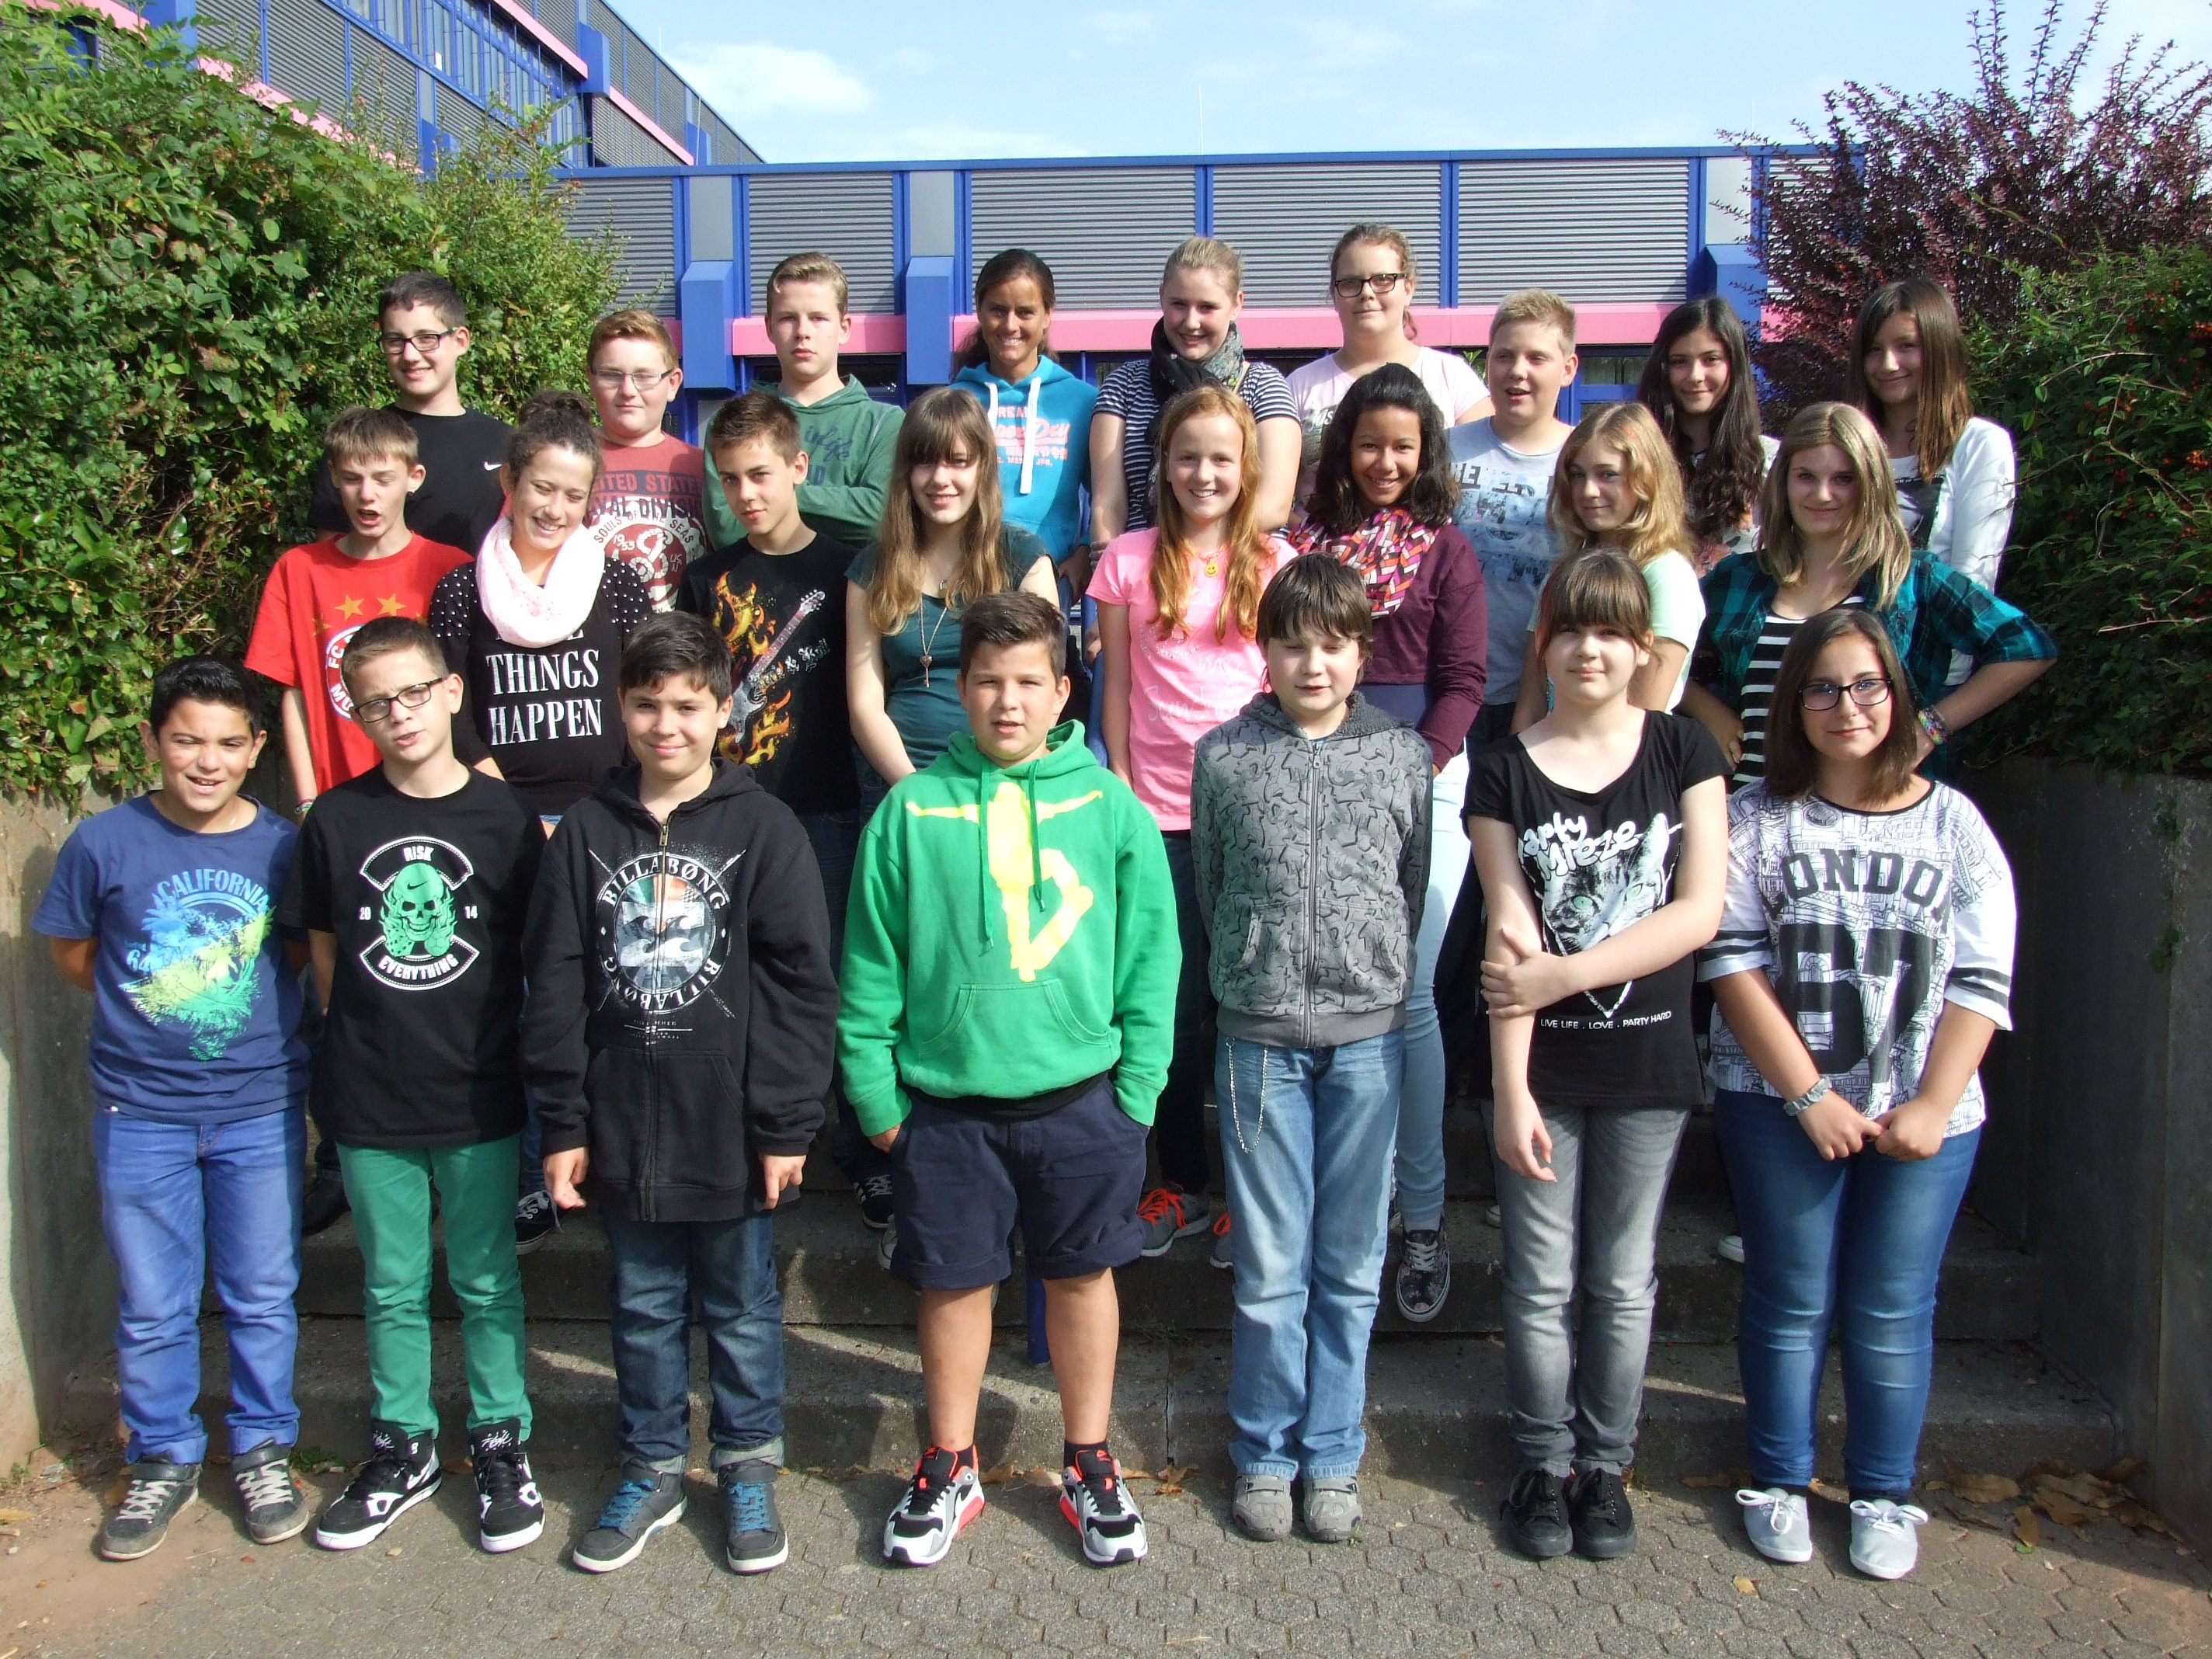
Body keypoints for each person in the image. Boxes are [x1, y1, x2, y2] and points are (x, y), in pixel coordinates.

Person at [838, 593, 1177, 1570]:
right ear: (959, 688)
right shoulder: (910, 811)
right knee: (952, 1285)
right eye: (987, 680)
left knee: (1081, 1276)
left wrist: (1137, 1093)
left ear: (1064, 690)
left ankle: (1089, 1458)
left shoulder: (1108, 808)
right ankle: (950, 1462)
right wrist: (876, 1098)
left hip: (1082, 1102)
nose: (1007, 701)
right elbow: (869, 964)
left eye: (1029, 681)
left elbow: (1150, 959)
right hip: (945, 1108)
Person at [1700, 607, 2015, 1582]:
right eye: (1823, 689)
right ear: (1793, 705)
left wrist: (1932, 1103)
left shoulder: (1955, 824)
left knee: (1891, 1306)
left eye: (1867, 685)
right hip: (1778, 1104)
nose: (1848, 706)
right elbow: (1730, 961)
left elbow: (1982, 978)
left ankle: (1882, 1490)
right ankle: (1778, 1479)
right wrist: (1806, 1097)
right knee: (1789, 1295)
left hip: (1924, 1111)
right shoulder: (1756, 819)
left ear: (1898, 694)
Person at [526, 614, 837, 1577]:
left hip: (730, 1126)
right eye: (647, 705)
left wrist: (785, 1123)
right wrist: (564, 1121)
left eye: (688, 706)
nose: (666, 725)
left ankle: (746, 1466)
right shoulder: (585, 831)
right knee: (642, 1306)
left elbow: (800, 986)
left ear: (722, 711)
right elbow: (554, 980)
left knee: (742, 1309)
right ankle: (653, 1465)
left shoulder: (763, 827)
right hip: (621, 1122)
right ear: (621, 708)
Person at [1467, 548, 1728, 1563]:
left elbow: (1697, 914)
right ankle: (1543, 1463)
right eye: (1571, 630)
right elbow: (1509, 937)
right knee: (1539, 1283)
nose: (1590, 650)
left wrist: (1563, 977)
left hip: (1650, 1066)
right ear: (1544, 644)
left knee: (1622, 1281)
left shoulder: (1683, 751)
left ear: (1641, 648)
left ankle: (1605, 1468)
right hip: (1544, 1074)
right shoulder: (1504, 768)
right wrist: (1509, 1090)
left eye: (1612, 632)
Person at [36, 658, 312, 1562]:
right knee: (154, 1302)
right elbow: (76, 954)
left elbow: (294, 956)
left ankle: (263, 1447)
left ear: (257, 748)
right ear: (153, 741)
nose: (206, 761)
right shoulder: (103, 843)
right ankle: (162, 1455)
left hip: (258, 1105)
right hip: (140, 1112)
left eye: (228, 744)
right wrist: (154, 1011)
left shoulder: (282, 848)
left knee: (261, 1291)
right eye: (187, 740)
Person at [279, 617, 545, 1555]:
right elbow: (326, 954)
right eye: (376, 702)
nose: (399, 714)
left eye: (414, 693)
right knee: (391, 1283)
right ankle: (404, 1445)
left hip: (479, 1092)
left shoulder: (505, 819)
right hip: (369, 1097)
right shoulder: (336, 819)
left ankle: (501, 1437)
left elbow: (533, 957)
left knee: (485, 1278)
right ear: (355, 714)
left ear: (452, 693)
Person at [1189, 555, 1433, 1545]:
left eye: (1333, 645)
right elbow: (1212, 886)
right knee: (1269, 1264)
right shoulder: (1224, 757)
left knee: (1350, 1260)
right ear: (1266, 651)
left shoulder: (1402, 757)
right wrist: (1254, 967)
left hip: (1367, 1039)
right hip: (1258, 1042)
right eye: (1292, 644)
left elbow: (1409, 883)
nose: (1313, 664)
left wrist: (1365, 969)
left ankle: (1332, 1453)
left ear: (1362, 652)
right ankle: (1263, 1451)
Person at [1290, 363, 1486, 1320]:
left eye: (1402, 446)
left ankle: (1424, 1216)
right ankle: (1341, 1202)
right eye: (1369, 443)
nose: (1384, 462)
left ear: (1426, 451)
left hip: (1421, 782)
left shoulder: (1447, 551)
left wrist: (1411, 769)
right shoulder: (1305, 544)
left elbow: (1464, 680)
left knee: (1405, 995)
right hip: (1315, 779)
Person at [249, 405, 472, 1236]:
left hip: (429, 806)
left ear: (414, 478)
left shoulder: (448, 568)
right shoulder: (299, 569)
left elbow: (462, 686)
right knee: (335, 992)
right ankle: (338, 1161)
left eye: (382, 477)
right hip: (341, 809)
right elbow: (292, 691)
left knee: (432, 979)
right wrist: (309, 799)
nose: (366, 494)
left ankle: (449, 1160)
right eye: (350, 479)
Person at [1090, 386, 1289, 1264]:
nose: (1204, 473)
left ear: (1246, 469)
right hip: (1158, 816)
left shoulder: (1275, 562)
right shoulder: (1129, 559)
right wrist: (1121, 787)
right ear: (1162, 467)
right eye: (1187, 457)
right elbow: (1118, 687)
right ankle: (1180, 1180)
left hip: (1251, 819)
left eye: (1221, 458)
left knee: (1246, 1006)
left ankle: (1252, 1193)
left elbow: (1287, 691)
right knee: (1169, 1010)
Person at [680, 391, 882, 1235]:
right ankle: (752, 1140)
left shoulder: (848, 570)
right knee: (733, 980)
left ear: (799, 467)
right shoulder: (706, 579)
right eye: (730, 480)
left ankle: (859, 1155)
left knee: (828, 978)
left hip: (826, 809)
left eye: (760, 474)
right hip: (730, 814)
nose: (745, 494)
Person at [1680, 402, 2056, 790]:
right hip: (1750, 809)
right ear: (1783, 483)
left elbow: (2027, 648)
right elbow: (1657, 650)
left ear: (1870, 483)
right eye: (1806, 476)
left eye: (1843, 479)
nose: (1822, 494)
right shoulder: (1738, 579)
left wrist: (1930, 727)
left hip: (1876, 810)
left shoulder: (1911, 580)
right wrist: (1706, 709)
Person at [430, 389, 652, 824]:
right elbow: (449, 713)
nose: (555, 510)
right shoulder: (461, 590)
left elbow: (649, 693)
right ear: (509, 481)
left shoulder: (618, 583)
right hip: (497, 816)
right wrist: (513, 815)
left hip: (609, 812)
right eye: (542, 488)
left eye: (573, 496)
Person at [847, 386, 1059, 805]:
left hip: (1001, 784)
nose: (940, 479)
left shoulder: (1024, 559)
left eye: (958, 461)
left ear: (983, 467)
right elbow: (865, 705)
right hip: (901, 786)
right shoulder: (872, 569)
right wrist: (915, 790)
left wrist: (996, 784)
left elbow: (1045, 692)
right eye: (925, 461)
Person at [1090, 238, 1300, 542]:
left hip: (1243, 561)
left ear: (1237, 304)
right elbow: (1107, 505)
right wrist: (1112, 564)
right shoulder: (1123, 385)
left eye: (1207, 308)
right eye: (1179, 305)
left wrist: (1192, 552)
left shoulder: (1263, 385)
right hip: (1140, 562)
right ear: (1161, 298)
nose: (1191, 322)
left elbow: (1274, 506)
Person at [701, 252, 906, 552]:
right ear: (769, 328)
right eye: (788, 318)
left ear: (844, 328)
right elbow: (727, 529)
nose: (802, 332)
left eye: (818, 318)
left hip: (851, 583)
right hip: (756, 581)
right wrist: (843, 506)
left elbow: (881, 518)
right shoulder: (734, 421)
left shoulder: (883, 423)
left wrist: (777, 495)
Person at [1514, 402, 1704, 723]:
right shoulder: (1562, 572)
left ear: (1646, 479)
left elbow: (1644, 713)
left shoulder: (1666, 575)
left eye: (1607, 475)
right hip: (1548, 746)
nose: (1588, 491)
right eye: (1577, 475)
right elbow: (1531, 701)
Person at [306, 271, 510, 559]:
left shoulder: (507, 443)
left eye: (427, 338)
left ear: (460, 341)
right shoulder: (361, 440)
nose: (410, 355)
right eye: (395, 341)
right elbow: (331, 563)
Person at [1449, 288, 1577, 745]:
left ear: (1568, 369)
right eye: (1504, 356)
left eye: (1537, 358)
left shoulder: (1585, 459)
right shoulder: (1445, 449)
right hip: (1449, 685)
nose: (1517, 371)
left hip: (1545, 691)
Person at [1285, 222, 1490, 504]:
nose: (1366, 293)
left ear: (1408, 288)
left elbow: (1485, 477)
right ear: (1334, 295)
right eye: (1351, 283)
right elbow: (1272, 494)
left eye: (1383, 280)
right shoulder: (1299, 386)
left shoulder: (1453, 377)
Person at [1845, 276, 2015, 596]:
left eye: (1906, 346)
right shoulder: (1844, 447)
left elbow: (1972, 584)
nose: (1888, 364)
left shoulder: (1978, 444)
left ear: (1939, 349)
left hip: (1934, 625)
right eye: (1874, 350)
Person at [951, 249, 1099, 592]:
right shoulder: (954, 401)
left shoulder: (1083, 401)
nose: (1010, 325)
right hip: (965, 577)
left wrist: (1084, 550)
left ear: (1048, 315)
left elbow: (1110, 496)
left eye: (1025, 312)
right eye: (998, 311)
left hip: (1048, 578)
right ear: (979, 311)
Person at [1635, 297, 1777, 572]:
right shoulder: (1637, 459)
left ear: (1734, 364)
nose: (1695, 375)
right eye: (1680, 361)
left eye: (1711, 359)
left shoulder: (1771, 464)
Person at [583, 308, 708, 610]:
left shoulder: (705, 468)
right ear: (591, 378)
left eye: (644, 376)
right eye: (611, 375)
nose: (628, 390)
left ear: (673, 383)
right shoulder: (563, 463)